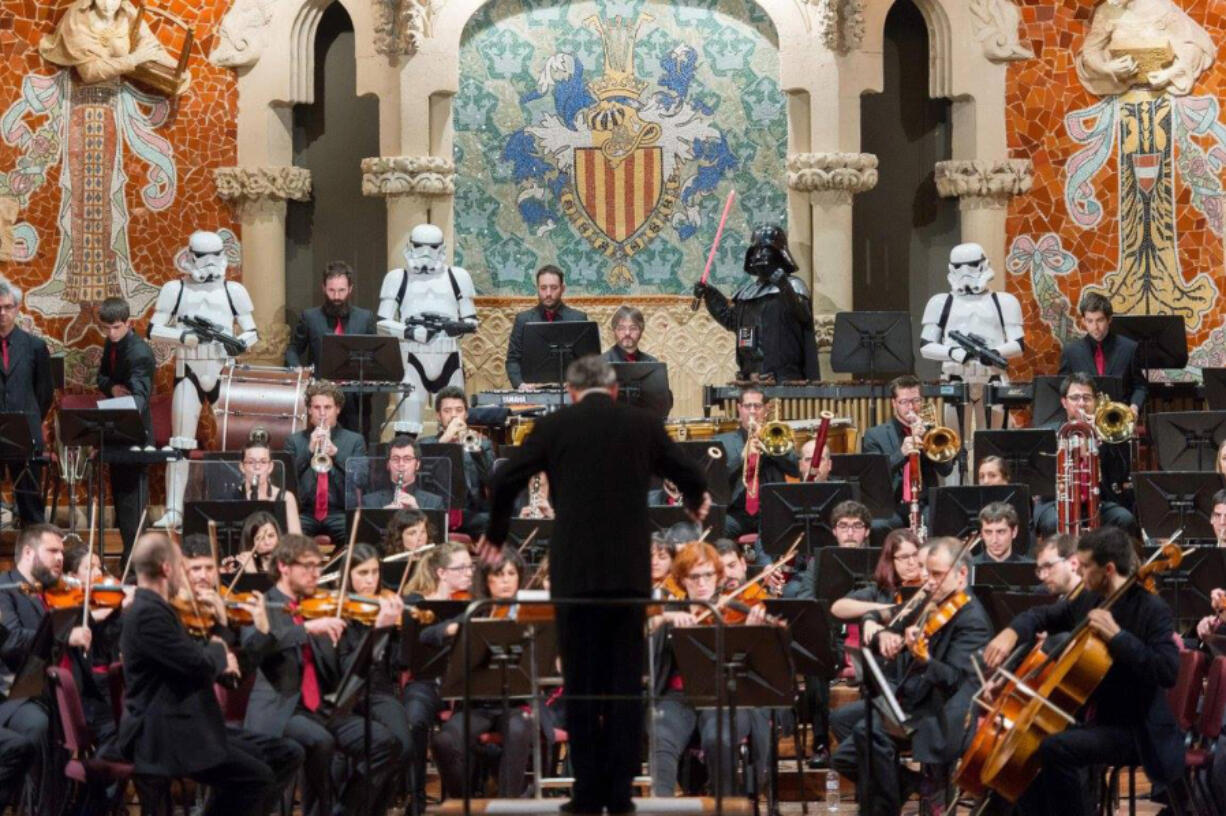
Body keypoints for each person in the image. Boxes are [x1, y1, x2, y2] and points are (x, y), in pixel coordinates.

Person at [484, 355, 708, 815]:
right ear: (612, 390)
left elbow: (506, 476)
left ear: (570, 391)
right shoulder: (641, 423)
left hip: (575, 573)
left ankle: (586, 793)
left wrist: (495, 531)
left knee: (583, 683)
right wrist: (693, 501)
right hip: (627, 571)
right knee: (625, 684)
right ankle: (621, 794)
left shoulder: (555, 425)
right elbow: (689, 470)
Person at [982, 527, 1186, 816]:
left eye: (1087, 566)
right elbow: (1043, 615)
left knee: (1056, 749)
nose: (1080, 570)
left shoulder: (1152, 608)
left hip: (1137, 730)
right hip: (1098, 720)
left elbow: (1166, 672)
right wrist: (1011, 633)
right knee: (1026, 750)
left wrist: (1118, 637)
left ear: (1109, 569)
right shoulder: (1091, 600)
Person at [115, 532, 278, 816]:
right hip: (163, 734)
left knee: (270, 759)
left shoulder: (156, 609)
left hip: (183, 723)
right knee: (257, 778)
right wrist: (219, 637)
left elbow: (201, 664)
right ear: (167, 568)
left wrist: (220, 647)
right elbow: (200, 665)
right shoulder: (148, 614)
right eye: (182, 566)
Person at [241, 534, 398, 816]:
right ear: (284, 567)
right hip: (282, 709)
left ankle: (343, 810)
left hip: (322, 708)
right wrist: (306, 630)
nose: (317, 573)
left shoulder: (321, 605)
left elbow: (343, 669)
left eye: (319, 566)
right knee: (320, 741)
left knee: (385, 743)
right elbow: (253, 651)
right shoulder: (262, 604)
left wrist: (377, 635)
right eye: (308, 567)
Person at [835, 538, 993, 816]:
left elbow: (956, 679)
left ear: (962, 574)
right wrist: (882, 631)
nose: (928, 581)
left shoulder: (972, 620)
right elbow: (890, 616)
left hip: (942, 710)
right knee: (847, 751)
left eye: (936, 574)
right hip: (911, 696)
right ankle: (915, 784)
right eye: (927, 573)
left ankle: (887, 805)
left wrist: (925, 658)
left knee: (868, 736)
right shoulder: (931, 602)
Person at [149, 230, 258, 527]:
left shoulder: (233, 291)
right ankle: (174, 510)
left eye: (215, 257)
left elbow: (251, 330)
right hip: (189, 369)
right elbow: (154, 329)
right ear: (190, 257)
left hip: (224, 368)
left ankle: (242, 505)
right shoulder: (176, 289)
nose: (209, 265)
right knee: (180, 442)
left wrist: (240, 342)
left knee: (234, 439)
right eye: (202, 258)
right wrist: (183, 336)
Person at [649, 542, 774, 796]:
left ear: (718, 577)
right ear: (682, 581)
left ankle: (724, 805)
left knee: (720, 739)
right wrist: (664, 618)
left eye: (708, 575)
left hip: (725, 695)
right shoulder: (671, 610)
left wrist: (752, 634)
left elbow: (763, 666)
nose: (702, 583)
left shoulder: (738, 609)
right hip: (678, 698)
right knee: (661, 740)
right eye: (695, 577)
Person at [431, 547, 538, 797]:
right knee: (443, 741)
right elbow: (429, 634)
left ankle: (508, 806)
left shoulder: (530, 613)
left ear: (520, 578)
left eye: (511, 574)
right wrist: (450, 631)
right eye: (498, 575)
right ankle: (463, 801)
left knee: (519, 730)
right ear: (486, 580)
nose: (505, 581)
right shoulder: (477, 611)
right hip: (477, 705)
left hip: (516, 704)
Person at [376, 224, 478, 435]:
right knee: (408, 427)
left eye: (431, 247)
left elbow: (472, 321)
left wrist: (455, 328)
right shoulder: (397, 278)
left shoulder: (457, 277)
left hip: (449, 355)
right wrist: (410, 332)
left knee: (455, 426)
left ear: (441, 248)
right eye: (419, 246)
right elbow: (381, 323)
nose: (425, 253)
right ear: (410, 246)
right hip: (412, 357)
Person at [334, 543, 411, 812]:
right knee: (382, 748)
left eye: (375, 572)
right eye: (362, 573)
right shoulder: (336, 609)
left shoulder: (386, 606)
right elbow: (346, 666)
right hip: (345, 695)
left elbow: (401, 662)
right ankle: (348, 807)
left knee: (404, 746)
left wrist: (399, 630)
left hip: (379, 692)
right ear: (347, 576)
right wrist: (377, 632)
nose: (370, 580)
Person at [693, 224, 820, 382]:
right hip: (749, 379)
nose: (759, 256)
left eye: (765, 250)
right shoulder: (747, 292)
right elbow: (731, 320)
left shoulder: (794, 286)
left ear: (778, 254)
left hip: (783, 379)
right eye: (756, 251)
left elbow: (803, 315)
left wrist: (784, 286)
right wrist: (709, 294)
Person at [1032, 373, 1136, 535]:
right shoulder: (1047, 433)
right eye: (1075, 398)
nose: (1081, 403)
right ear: (1064, 402)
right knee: (1053, 523)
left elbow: (1121, 473)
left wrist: (1102, 441)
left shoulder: (1109, 432)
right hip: (1056, 502)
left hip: (1098, 502)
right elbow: (1039, 476)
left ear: (1095, 402)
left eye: (1087, 398)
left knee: (1125, 519)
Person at [286, 261, 378, 438]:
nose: (337, 296)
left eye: (342, 290)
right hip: (320, 395)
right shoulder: (310, 317)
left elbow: (374, 357)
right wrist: (296, 368)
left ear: (350, 289)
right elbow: (293, 349)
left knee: (357, 444)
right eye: (332, 290)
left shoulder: (365, 318)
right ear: (323, 288)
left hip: (356, 399)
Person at [96, 296, 155, 560]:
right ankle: (128, 556)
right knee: (122, 501)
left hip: (135, 432)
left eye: (117, 327)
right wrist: (111, 388)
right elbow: (101, 376)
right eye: (106, 328)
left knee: (132, 502)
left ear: (129, 323)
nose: (111, 333)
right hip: (117, 430)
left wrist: (125, 401)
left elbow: (141, 396)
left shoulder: (140, 353)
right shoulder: (111, 342)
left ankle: (136, 560)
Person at [863, 375, 955, 533]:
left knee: (942, 520)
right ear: (894, 403)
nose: (911, 407)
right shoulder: (875, 435)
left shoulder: (933, 432)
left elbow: (946, 469)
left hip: (925, 503)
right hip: (892, 505)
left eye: (916, 400)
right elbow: (873, 476)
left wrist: (926, 439)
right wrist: (901, 453)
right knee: (878, 527)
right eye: (904, 402)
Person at [712, 386, 800, 539]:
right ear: (739, 409)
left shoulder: (776, 437)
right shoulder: (722, 442)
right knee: (715, 532)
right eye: (747, 406)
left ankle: (766, 563)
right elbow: (714, 479)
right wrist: (741, 458)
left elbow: (796, 469)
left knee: (769, 544)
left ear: (766, 409)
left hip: (770, 513)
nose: (752, 411)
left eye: (757, 406)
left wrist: (768, 446)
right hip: (735, 513)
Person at [286, 381, 366, 544]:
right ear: (309, 410)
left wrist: (336, 453)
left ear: (338, 409)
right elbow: (287, 479)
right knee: (290, 544)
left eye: (328, 407)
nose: (322, 413)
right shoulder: (294, 441)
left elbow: (361, 479)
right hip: (304, 513)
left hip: (340, 512)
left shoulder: (354, 440)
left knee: (357, 539)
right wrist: (308, 451)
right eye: (316, 407)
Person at [0, 277, 52, 526]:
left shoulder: (35, 346)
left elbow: (45, 392)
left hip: (26, 434)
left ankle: (37, 559)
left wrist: (31, 419)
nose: (2, 313)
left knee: (30, 505)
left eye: (8, 307)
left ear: (17, 308)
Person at [418, 385, 494, 534]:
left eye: (459, 410)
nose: (454, 416)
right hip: (434, 511)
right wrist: (445, 440)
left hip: (470, 512)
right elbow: (422, 477)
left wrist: (472, 445)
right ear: (438, 416)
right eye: (447, 411)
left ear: (466, 414)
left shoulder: (481, 444)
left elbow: (490, 479)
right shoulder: (425, 444)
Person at [1059, 292, 1147, 418]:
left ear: (1109, 319)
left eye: (1100, 320)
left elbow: (1140, 386)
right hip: (1084, 419)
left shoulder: (1129, 348)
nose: (1095, 327)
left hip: (1118, 418)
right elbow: (1064, 388)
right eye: (1090, 321)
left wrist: (1134, 406)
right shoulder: (1071, 352)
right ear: (1083, 320)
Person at [505, 265, 588, 389]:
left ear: (562, 288)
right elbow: (513, 360)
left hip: (570, 392)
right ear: (537, 288)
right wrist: (521, 385)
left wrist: (578, 383)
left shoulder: (578, 318)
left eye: (554, 288)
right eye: (543, 288)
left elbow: (587, 362)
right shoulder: (523, 320)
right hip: (532, 392)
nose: (548, 293)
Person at [228, 437, 301, 533]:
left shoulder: (286, 498)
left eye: (263, 462)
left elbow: (296, 540)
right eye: (251, 462)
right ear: (242, 467)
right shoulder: (230, 498)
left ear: (270, 467)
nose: (257, 467)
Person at [361, 436, 447, 510]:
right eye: (395, 459)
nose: (401, 464)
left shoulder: (434, 503)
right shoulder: (370, 502)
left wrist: (418, 512)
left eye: (407, 459)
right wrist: (384, 515)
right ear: (388, 464)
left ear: (417, 464)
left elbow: (435, 529)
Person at [224, 510, 282, 574]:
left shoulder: (288, 567)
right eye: (260, 538)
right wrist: (228, 575)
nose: (267, 542)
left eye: (271, 536)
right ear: (251, 543)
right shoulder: (245, 567)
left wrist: (252, 573)